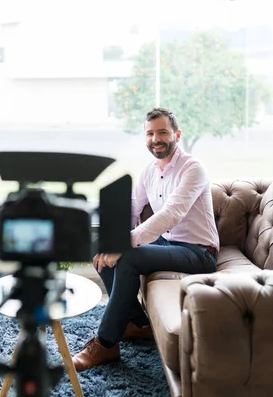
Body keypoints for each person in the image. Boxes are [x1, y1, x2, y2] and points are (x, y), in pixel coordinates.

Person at [72, 107, 219, 371]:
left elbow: (172, 213)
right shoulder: (150, 171)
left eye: (163, 132)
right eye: (150, 134)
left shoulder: (192, 169)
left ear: (177, 134)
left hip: (199, 253)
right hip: (168, 245)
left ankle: (106, 345)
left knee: (128, 257)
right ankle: (138, 325)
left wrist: (126, 243)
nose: (156, 139)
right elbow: (131, 207)